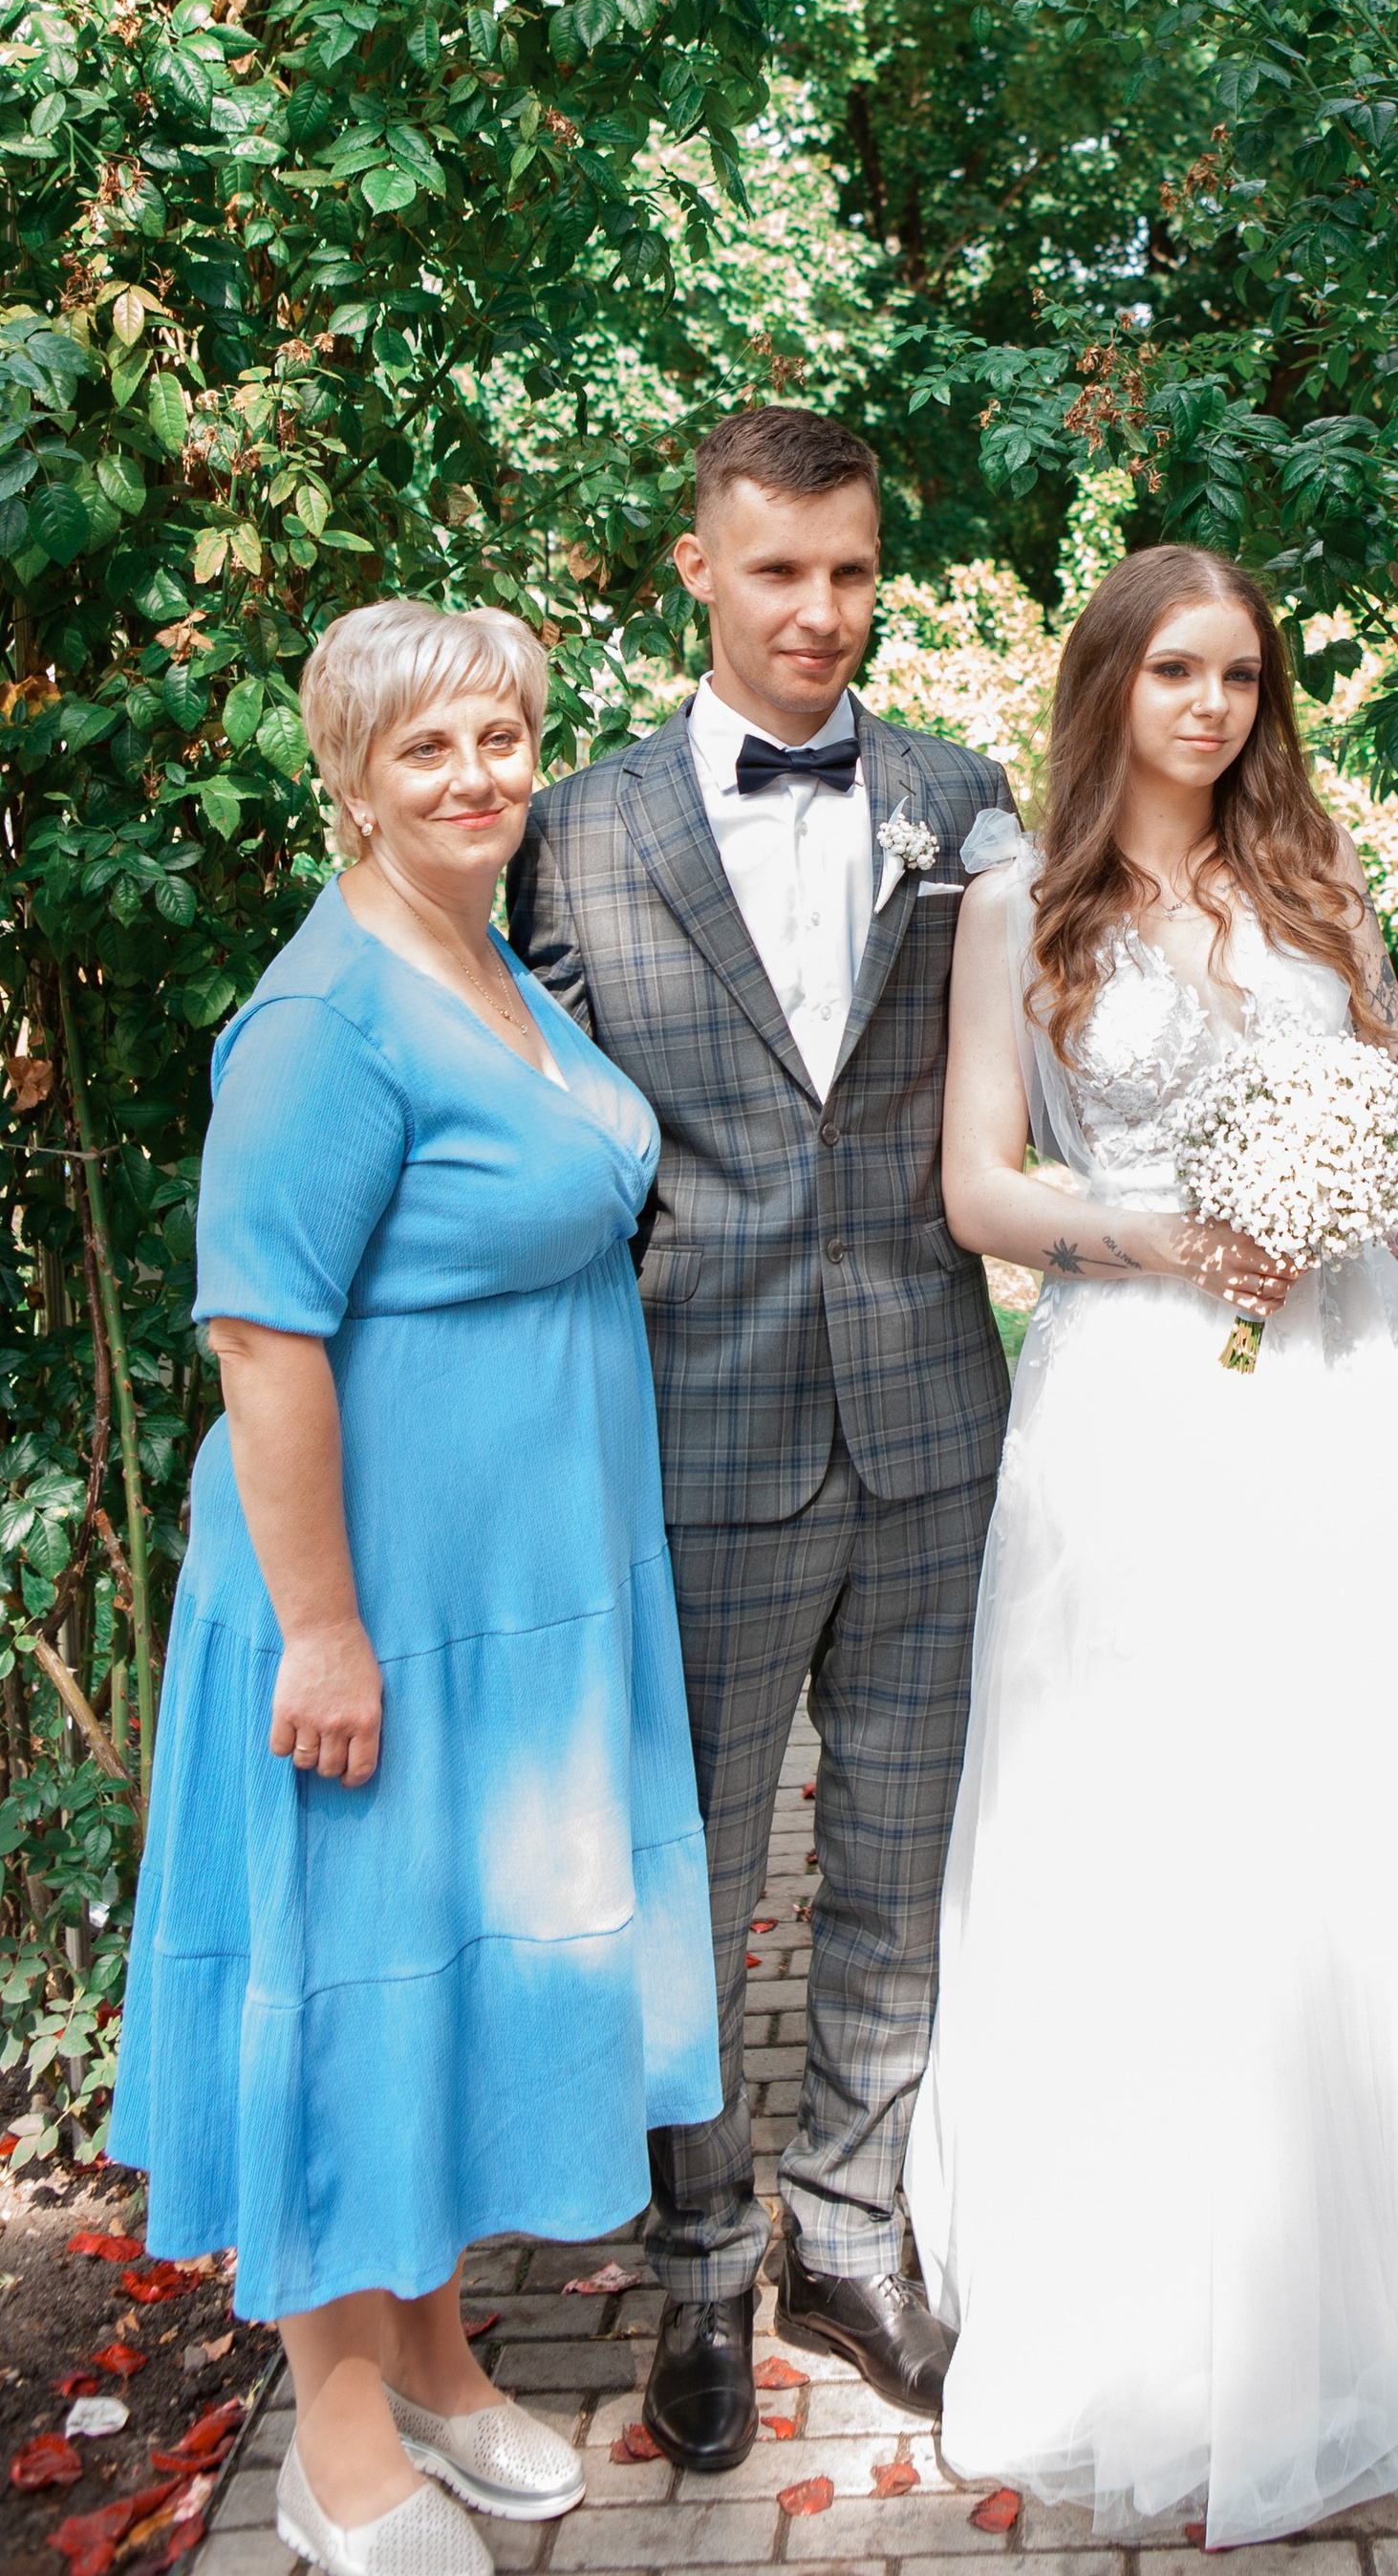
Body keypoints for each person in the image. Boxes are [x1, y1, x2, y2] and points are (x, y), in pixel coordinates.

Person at [906, 544, 1398, 2548]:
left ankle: (1395, 2295)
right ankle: (1166, 2317)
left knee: (1361, 1814)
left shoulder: (1317, 887)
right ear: (1106, 688)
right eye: (1173, 670)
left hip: (1335, 1401)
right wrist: (1164, 1233)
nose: (1211, 706)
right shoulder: (1017, 909)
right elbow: (980, 1186)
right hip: (1135, 1404)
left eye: (1239, 673)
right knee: (1157, 1828)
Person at [111, 599, 722, 2576]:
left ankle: (445, 2359)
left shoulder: (475, 958)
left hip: (512, 1596)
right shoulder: (324, 1015)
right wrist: (320, 1626)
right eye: (425, 751)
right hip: (362, 1601)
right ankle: (338, 2432)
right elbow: (261, 1339)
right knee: (348, 1986)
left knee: (452, 1978)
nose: (474, 777)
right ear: (349, 776)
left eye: (497, 737)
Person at [507, 408, 1013, 2472]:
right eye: (780, 570)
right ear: (696, 570)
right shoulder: (576, 829)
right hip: (690, 1425)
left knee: (897, 1862)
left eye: (853, 571)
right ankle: (703, 2254)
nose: (822, 611)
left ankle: (850, 2227)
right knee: (693, 1880)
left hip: (924, 1416)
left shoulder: (960, 801)